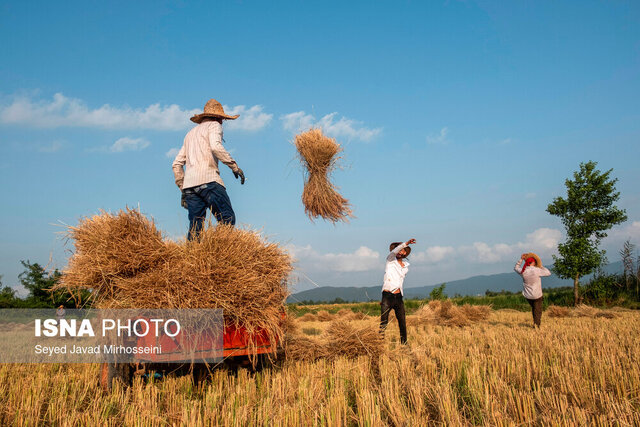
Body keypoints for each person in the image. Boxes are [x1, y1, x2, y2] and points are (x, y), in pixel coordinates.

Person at [172, 99, 246, 240]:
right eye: (222, 119)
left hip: (189, 187)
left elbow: (176, 164)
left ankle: (191, 257)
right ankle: (222, 254)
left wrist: (183, 188)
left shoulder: (190, 134)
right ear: (219, 118)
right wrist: (234, 167)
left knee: (195, 227)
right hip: (209, 181)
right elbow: (215, 147)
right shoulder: (214, 126)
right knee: (227, 218)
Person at [379, 238, 416, 344]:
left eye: (402, 250)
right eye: (398, 250)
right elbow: (394, 252)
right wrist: (406, 243)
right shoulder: (390, 260)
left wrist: (405, 246)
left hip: (399, 296)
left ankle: (404, 343)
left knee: (402, 321)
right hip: (387, 295)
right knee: (384, 321)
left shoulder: (406, 266)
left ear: (405, 253)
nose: (400, 252)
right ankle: (379, 342)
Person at [514, 253, 551, 328]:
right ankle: (536, 326)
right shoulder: (537, 270)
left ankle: (535, 323)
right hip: (537, 295)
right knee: (538, 311)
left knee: (534, 309)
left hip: (528, 296)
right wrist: (541, 266)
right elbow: (548, 273)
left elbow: (516, 268)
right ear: (533, 262)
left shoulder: (523, 271)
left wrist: (521, 259)